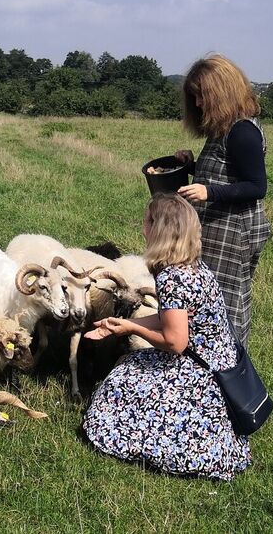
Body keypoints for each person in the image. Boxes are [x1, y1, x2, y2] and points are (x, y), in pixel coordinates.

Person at [81, 193, 250, 480]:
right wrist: (120, 323)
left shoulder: (171, 277)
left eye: (147, 221)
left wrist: (132, 328)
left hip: (197, 369)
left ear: (158, 230)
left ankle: (165, 443)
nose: (142, 227)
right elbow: (172, 318)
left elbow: (175, 342)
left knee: (120, 384)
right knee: (129, 366)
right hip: (219, 360)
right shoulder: (195, 265)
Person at [168, 54, 269, 347]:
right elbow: (224, 172)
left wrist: (209, 192)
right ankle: (206, 357)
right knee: (207, 295)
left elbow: (256, 186)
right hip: (216, 227)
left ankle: (232, 363)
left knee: (227, 300)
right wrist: (191, 166)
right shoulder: (221, 129)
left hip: (234, 232)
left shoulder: (242, 132)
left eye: (201, 96)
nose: (197, 104)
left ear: (220, 93)